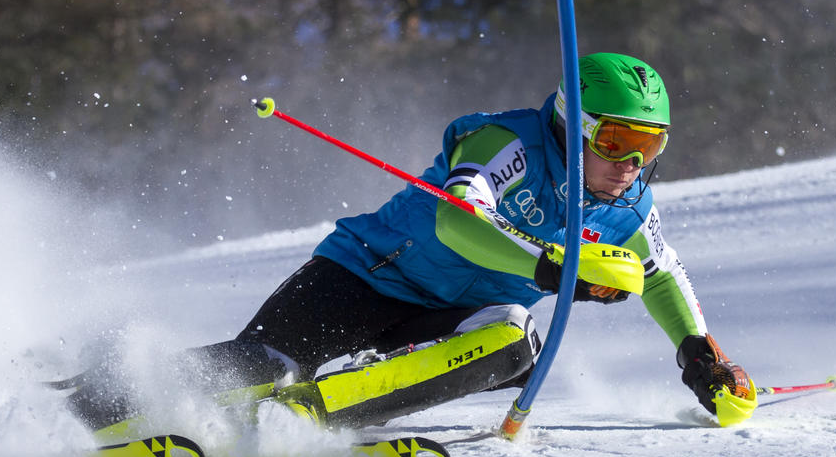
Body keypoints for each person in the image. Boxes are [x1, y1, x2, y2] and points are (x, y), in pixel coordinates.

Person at [64, 52, 756, 433]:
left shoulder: (629, 200)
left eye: (649, 146)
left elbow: (660, 272)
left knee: (516, 340)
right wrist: (553, 269)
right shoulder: (507, 144)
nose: (631, 163)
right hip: (367, 279)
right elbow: (457, 220)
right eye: (616, 141)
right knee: (265, 361)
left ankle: (313, 415)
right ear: (573, 122)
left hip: (445, 324)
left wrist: (700, 354)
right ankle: (96, 393)